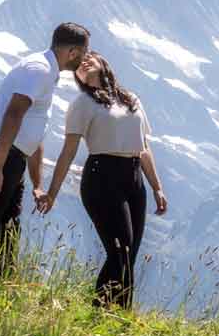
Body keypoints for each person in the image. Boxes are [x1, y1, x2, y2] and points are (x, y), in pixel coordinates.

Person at [0, 21, 90, 276]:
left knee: (8, 226)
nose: (84, 59)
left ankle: (4, 285)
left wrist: (36, 184)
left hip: (11, 154)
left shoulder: (46, 71)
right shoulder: (40, 70)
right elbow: (13, 115)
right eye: (84, 53)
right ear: (73, 52)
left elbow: (32, 134)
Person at [39, 52, 167, 309]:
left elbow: (143, 147)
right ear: (78, 77)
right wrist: (51, 192)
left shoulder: (131, 100)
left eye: (90, 57)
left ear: (103, 63)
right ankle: (99, 313)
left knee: (129, 255)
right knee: (120, 251)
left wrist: (157, 187)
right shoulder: (82, 104)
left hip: (133, 177)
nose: (84, 62)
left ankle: (119, 316)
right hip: (102, 177)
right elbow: (68, 151)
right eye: (79, 64)